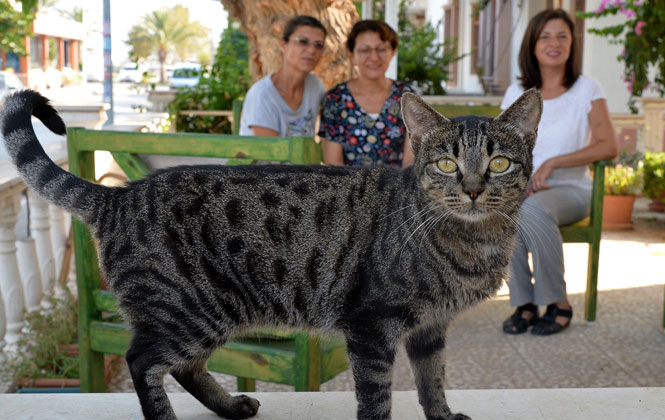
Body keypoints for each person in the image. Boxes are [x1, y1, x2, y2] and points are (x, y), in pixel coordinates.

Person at [501, 9, 617, 336]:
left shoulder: (587, 89)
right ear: (533, 46)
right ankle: (524, 304)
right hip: (525, 190)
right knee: (509, 210)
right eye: (546, 36)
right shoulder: (516, 93)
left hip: (572, 190)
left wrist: (553, 163)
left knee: (534, 210)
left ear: (572, 44)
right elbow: (502, 147)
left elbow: (608, 146)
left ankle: (557, 303)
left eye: (562, 36)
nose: (555, 43)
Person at [319, 20, 414, 167]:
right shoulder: (335, 99)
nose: (374, 57)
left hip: (397, 186)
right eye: (365, 50)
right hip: (348, 187)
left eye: (382, 49)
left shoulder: (406, 96)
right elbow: (334, 165)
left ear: (393, 52)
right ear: (351, 54)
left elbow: (411, 162)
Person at [239, 15, 327, 137]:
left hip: (302, 156)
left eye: (318, 45)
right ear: (283, 45)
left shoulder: (314, 85)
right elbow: (269, 153)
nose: (312, 50)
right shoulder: (262, 96)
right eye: (302, 41)